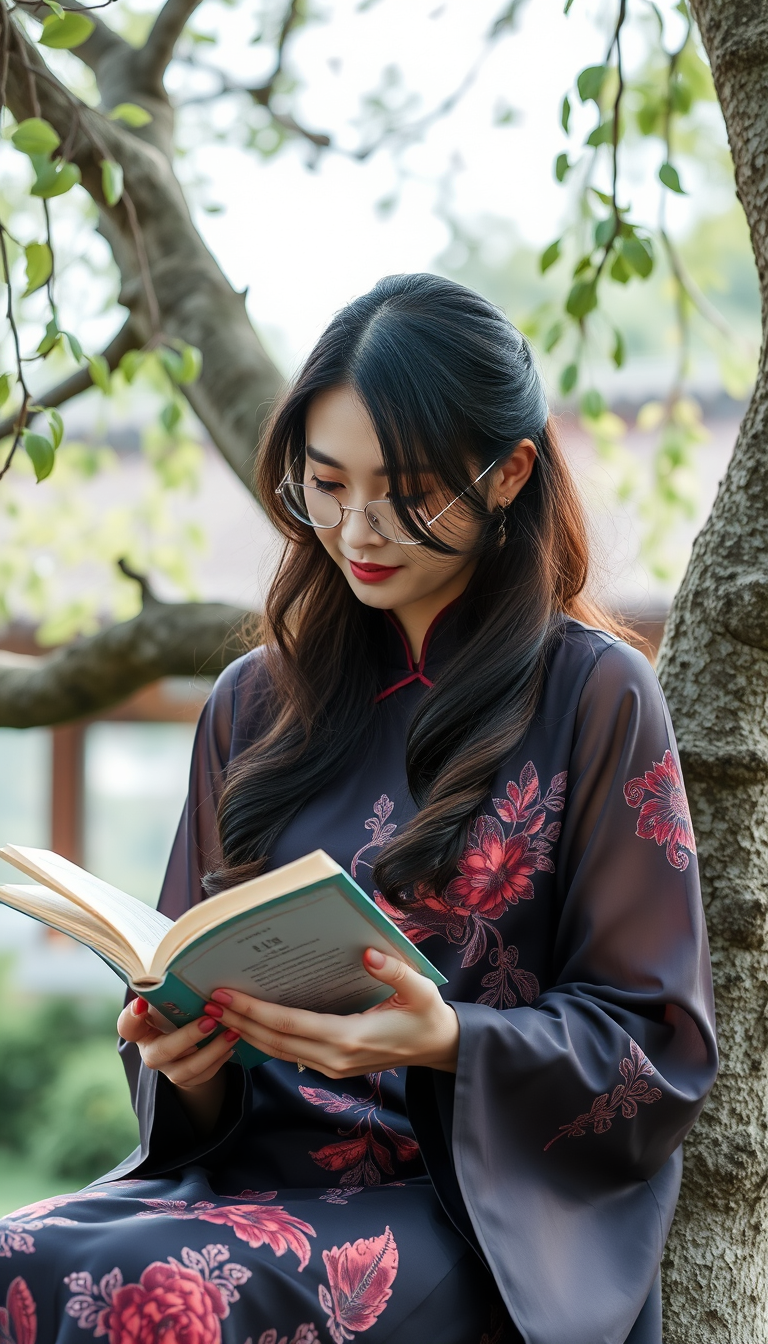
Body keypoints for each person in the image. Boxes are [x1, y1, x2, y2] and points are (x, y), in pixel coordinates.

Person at [0, 274, 716, 1344]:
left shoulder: (597, 693)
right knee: (16, 1256)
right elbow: (186, 971)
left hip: (473, 1217)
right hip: (244, 1181)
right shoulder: (253, 703)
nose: (358, 527)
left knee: (160, 1302)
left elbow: (655, 1048)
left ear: (510, 471)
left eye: (407, 491)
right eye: (325, 484)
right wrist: (179, 1061)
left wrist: (451, 1040)